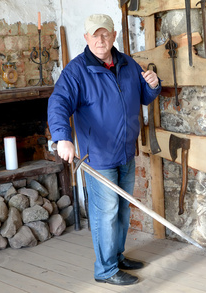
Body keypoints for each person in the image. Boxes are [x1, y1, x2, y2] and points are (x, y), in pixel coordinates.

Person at [47, 14, 160, 286]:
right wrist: (62, 137)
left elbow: (143, 96)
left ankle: (116, 257)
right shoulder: (76, 71)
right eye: (94, 35)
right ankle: (106, 270)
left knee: (121, 209)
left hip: (125, 151)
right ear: (86, 38)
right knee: (105, 213)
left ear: (113, 35)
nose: (100, 40)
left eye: (105, 34)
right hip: (97, 156)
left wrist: (153, 85)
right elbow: (58, 103)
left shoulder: (127, 64)